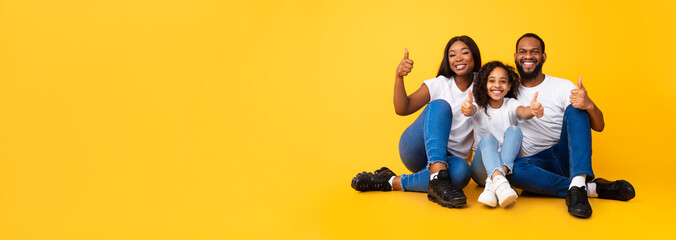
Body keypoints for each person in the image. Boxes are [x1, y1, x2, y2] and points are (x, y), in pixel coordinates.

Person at [506, 33, 636, 218]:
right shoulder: (508, 90)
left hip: (567, 155)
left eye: (534, 52)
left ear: (543, 57)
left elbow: (599, 126)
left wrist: (589, 104)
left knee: (576, 109)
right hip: (537, 164)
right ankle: (585, 188)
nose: (528, 56)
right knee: (513, 171)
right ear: (515, 57)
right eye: (522, 52)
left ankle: (577, 184)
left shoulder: (561, 86)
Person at [350, 36, 481, 208]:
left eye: (465, 52)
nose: (458, 58)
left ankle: (390, 181)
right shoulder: (439, 84)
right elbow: (402, 108)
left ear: (474, 56)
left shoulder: (485, 85)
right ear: (447, 60)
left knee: (462, 173)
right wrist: (399, 77)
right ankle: (437, 174)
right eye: (452, 55)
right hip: (417, 150)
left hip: (452, 159)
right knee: (440, 106)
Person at [461, 61, 543, 208]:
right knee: (487, 138)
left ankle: (496, 182)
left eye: (503, 81)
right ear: (483, 84)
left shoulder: (510, 104)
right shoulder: (479, 107)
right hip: (481, 170)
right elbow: (471, 110)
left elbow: (523, 111)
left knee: (515, 130)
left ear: (509, 86)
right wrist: (468, 108)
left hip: (508, 168)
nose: (497, 85)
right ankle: (499, 180)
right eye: (491, 81)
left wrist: (532, 110)